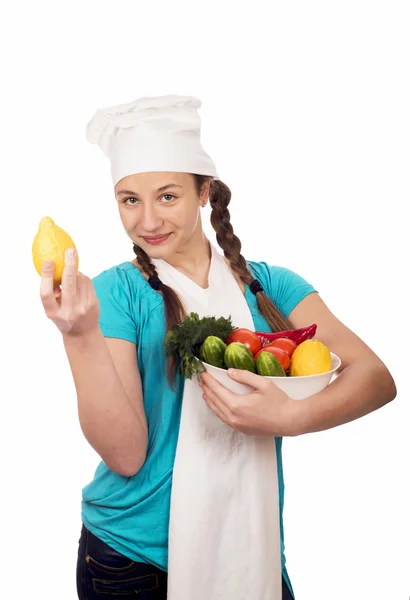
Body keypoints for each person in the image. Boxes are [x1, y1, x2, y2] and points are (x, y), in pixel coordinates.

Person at [39, 95, 396, 600]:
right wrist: (79, 336)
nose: (147, 222)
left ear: (204, 191)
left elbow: (375, 378)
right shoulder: (115, 294)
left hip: (252, 545)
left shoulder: (271, 287)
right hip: (134, 562)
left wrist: (289, 419)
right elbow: (125, 454)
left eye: (167, 196)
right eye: (129, 199)